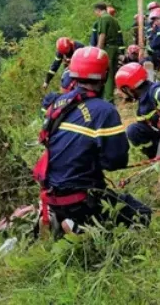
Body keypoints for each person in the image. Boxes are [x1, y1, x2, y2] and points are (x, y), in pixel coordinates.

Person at [33, 46, 152, 235]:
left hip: (51, 192)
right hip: (81, 197)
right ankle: (81, 229)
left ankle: (59, 217)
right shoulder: (104, 111)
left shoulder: (59, 103)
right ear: (105, 76)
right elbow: (116, 161)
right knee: (142, 215)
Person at [116, 62, 160, 159]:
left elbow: (159, 92)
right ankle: (156, 154)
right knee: (134, 130)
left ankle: (159, 153)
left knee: (132, 131)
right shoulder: (143, 98)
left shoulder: (152, 90)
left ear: (128, 89)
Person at [94, 2, 122, 103]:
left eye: (95, 12)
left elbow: (102, 35)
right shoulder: (113, 19)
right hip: (115, 48)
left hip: (108, 48)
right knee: (113, 72)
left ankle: (108, 98)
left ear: (98, 10)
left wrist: (98, 50)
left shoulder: (103, 18)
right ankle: (110, 96)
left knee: (107, 73)